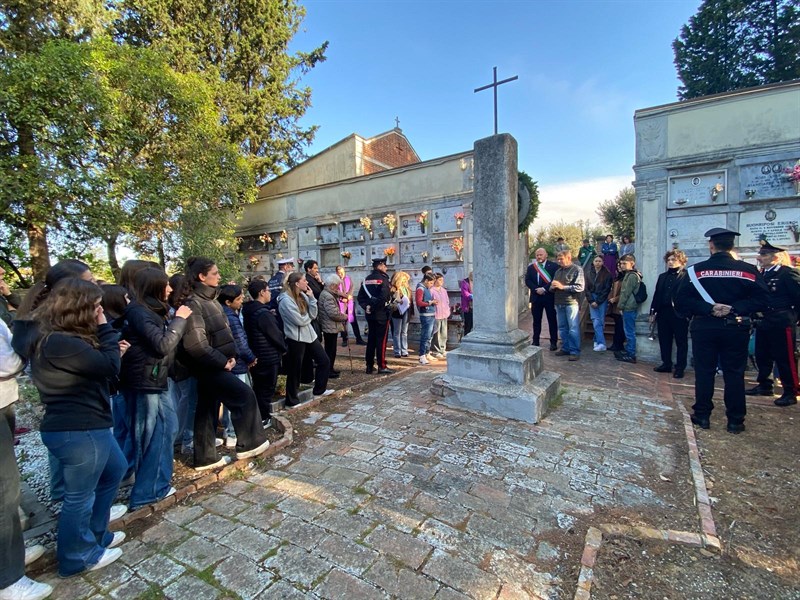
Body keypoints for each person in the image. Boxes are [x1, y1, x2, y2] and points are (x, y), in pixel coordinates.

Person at [14, 279, 128, 577]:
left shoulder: (64, 338)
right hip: (78, 428)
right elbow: (109, 367)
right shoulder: (59, 342)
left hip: (90, 423)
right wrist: (105, 329)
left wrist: (110, 349)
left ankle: (95, 535)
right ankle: (77, 557)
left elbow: (99, 366)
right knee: (80, 495)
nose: (99, 310)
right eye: (95, 306)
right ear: (79, 308)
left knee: (115, 469)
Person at [674, 228, 769, 434]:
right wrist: (735, 308)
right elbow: (763, 299)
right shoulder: (748, 270)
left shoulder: (694, 271)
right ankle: (735, 421)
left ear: (711, 245)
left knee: (704, 372)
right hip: (736, 327)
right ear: (731, 246)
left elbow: (681, 302)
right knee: (735, 373)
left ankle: (702, 415)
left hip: (704, 327)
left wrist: (708, 308)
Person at [179, 257, 270, 470]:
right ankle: (249, 443)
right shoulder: (194, 303)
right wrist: (223, 362)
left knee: (207, 411)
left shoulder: (210, 300)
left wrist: (231, 356)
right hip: (210, 367)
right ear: (202, 276)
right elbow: (196, 344)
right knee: (245, 396)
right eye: (215, 273)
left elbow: (224, 333)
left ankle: (205, 457)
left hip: (220, 363)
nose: (219, 277)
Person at [119, 267, 190, 509]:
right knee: (152, 435)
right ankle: (146, 493)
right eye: (166, 285)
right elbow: (162, 345)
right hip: (144, 382)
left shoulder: (150, 310)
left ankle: (157, 485)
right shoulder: (139, 312)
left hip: (155, 379)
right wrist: (179, 320)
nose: (170, 289)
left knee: (167, 429)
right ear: (153, 287)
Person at [1, 319, 53, 599]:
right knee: (4, 490)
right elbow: (9, 362)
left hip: (4, 402)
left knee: (9, 491)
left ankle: (12, 552)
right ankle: (8, 579)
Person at [746, 242, 800, 406]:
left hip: (781, 321)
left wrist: (795, 317)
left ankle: (791, 391)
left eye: (764, 255)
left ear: (775, 257)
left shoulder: (787, 273)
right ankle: (764, 385)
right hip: (764, 321)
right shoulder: (761, 273)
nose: (759, 258)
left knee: (785, 357)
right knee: (762, 355)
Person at [277, 272, 333, 404]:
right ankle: (291, 401)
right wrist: (309, 317)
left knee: (324, 360)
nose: (307, 282)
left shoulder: (303, 295)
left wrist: (312, 298)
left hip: (309, 334)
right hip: (295, 337)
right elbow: (299, 321)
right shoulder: (285, 300)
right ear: (297, 283)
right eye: (304, 280)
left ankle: (319, 390)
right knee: (295, 369)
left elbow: (314, 313)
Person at [218, 284, 257, 448]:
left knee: (230, 400)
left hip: (231, 362)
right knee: (240, 399)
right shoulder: (231, 318)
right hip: (237, 364)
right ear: (228, 302)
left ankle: (228, 430)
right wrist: (250, 357)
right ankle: (235, 433)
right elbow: (239, 342)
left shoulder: (224, 313)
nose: (242, 302)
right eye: (239, 299)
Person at [243, 279, 286, 425]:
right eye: (268, 290)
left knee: (259, 388)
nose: (270, 293)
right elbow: (275, 335)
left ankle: (259, 416)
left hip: (256, 354)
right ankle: (263, 418)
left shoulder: (249, 310)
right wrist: (283, 348)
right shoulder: (263, 313)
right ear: (261, 292)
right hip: (267, 356)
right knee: (266, 389)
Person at [166, 274, 197, 456]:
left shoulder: (170, 309)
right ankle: (186, 440)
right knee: (188, 401)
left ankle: (178, 438)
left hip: (175, 363)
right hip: (183, 362)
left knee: (179, 400)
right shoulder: (180, 311)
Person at [650, 250, 690, 378]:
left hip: (679, 314)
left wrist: (688, 313)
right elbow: (657, 295)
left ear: (681, 261)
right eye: (669, 260)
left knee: (681, 342)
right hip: (663, 312)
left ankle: (680, 367)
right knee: (664, 340)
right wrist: (653, 312)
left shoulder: (686, 276)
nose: (671, 262)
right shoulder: (662, 276)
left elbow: (691, 296)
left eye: (674, 260)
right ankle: (666, 363)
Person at [357, 258, 393, 375]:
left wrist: (367, 306)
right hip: (381, 313)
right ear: (380, 266)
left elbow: (360, 297)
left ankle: (369, 365)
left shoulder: (366, 279)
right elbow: (383, 297)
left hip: (370, 314)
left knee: (371, 340)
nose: (386, 268)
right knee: (381, 341)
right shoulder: (383, 279)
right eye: (385, 266)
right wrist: (373, 306)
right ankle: (382, 366)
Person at [550, 250, 585, 360]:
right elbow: (554, 286)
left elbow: (580, 287)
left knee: (573, 328)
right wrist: (552, 287)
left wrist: (562, 287)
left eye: (561, 259)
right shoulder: (558, 271)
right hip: (559, 302)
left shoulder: (577, 270)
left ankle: (574, 351)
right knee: (562, 328)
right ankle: (566, 348)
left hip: (571, 303)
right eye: (558, 259)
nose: (559, 261)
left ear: (569, 258)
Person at [525, 248, 558, 350]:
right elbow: (528, 280)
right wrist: (536, 289)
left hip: (549, 297)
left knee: (552, 320)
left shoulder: (554, 266)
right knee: (536, 320)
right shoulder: (531, 267)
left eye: (541, 255)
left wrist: (544, 289)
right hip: (536, 297)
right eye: (537, 255)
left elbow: (554, 280)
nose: (539, 257)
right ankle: (535, 340)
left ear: (546, 255)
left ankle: (553, 342)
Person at [613, 254, 642, 364]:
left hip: (629, 306)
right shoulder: (629, 275)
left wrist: (620, 306)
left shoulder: (632, 276)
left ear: (632, 263)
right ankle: (629, 351)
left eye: (625, 263)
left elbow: (625, 293)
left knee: (629, 332)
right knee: (628, 331)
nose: (622, 265)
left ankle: (631, 354)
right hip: (628, 306)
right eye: (621, 263)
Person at [318, 274, 348, 379]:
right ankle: (328, 370)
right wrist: (344, 316)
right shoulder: (327, 296)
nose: (338, 288)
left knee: (332, 350)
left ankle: (330, 368)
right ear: (332, 285)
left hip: (331, 326)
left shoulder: (329, 293)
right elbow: (333, 313)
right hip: (329, 326)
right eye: (336, 286)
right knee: (330, 350)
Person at [585, 256, 612, 351]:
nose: (597, 263)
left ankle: (598, 341)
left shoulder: (607, 274)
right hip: (592, 297)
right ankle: (600, 342)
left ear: (603, 262)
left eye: (599, 261)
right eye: (596, 261)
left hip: (601, 299)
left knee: (600, 320)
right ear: (593, 262)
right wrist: (591, 301)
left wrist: (598, 301)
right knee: (595, 320)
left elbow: (607, 289)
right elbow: (586, 288)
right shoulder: (588, 273)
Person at [336, 265, 365, 347]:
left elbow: (352, 288)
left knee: (353, 321)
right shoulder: (335, 281)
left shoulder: (348, 279)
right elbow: (336, 291)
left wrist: (348, 296)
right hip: (341, 303)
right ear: (336, 273)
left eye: (342, 272)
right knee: (343, 322)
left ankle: (358, 338)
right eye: (339, 273)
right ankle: (344, 339)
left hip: (349, 303)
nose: (341, 274)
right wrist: (345, 297)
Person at [415, 273, 438, 365]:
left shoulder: (426, 288)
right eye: (431, 283)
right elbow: (419, 302)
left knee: (430, 335)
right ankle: (422, 355)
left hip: (431, 314)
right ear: (426, 281)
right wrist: (430, 302)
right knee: (425, 335)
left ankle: (427, 352)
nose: (431, 285)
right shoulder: (420, 288)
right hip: (426, 315)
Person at [389, 271, 413, 358]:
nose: (406, 281)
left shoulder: (407, 289)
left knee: (404, 332)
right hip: (397, 312)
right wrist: (398, 300)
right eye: (404, 280)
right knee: (397, 332)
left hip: (406, 310)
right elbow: (391, 300)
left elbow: (410, 300)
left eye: (406, 280)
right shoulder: (393, 289)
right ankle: (397, 351)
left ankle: (404, 350)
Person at [429, 273, 451, 359]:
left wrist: (448, 310)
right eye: (440, 280)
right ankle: (436, 350)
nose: (442, 281)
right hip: (436, 314)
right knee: (437, 333)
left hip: (444, 314)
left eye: (442, 280)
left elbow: (447, 301)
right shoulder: (431, 290)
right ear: (435, 280)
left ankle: (443, 348)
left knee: (444, 333)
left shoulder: (443, 290)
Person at [460, 272, 474, 336]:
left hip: (476, 307)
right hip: (468, 307)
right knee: (468, 325)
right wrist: (473, 297)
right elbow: (465, 294)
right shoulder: (465, 282)